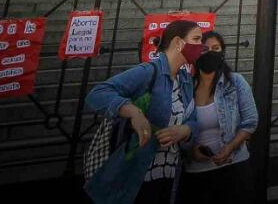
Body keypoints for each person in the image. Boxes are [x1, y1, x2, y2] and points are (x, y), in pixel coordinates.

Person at [87, 20, 203, 203]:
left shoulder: (185, 80)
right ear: (178, 42)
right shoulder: (148, 72)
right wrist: (133, 112)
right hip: (135, 176)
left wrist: (185, 131)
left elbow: (194, 122)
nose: (200, 46)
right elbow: (98, 94)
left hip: (169, 176)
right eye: (196, 39)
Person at [180, 49, 258, 203]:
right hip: (197, 170)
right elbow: (176, 124)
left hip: (234, 165)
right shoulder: (186, 86)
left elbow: (250, 121)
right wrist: (191, 150)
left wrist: (230, 147)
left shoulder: (234, 82)